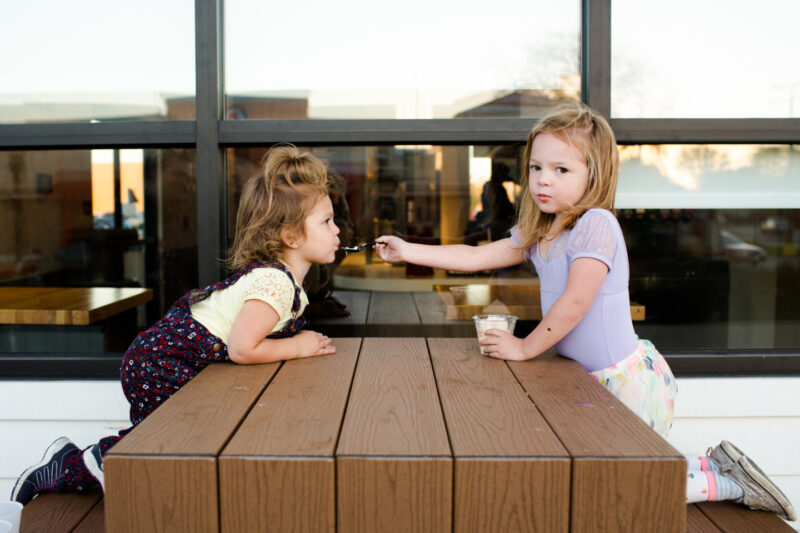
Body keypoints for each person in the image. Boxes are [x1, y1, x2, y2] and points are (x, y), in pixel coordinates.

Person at [374, 102, 796, 521]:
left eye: (561, 170)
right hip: (586, 384)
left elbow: (575, 303)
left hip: (624, 385)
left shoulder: (596, 224)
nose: (543, 180)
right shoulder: (542, 228)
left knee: (624, 488)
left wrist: (524, 348)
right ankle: (708, 464)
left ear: (594, 174)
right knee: (602, 478)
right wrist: (407, 248)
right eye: (536, 168)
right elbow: (474, 255)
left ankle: (729, 483)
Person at [11, 145, 339, 505]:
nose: (337, 230)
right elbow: (243, 348)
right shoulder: (275, 283)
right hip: (161, 362)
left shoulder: (283, 281)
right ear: (291, 237)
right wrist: (299, 346)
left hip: (166, 358)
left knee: (166, 445)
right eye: (326, 221)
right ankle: (78, 463)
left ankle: (87, 465)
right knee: (173, 440)